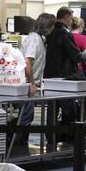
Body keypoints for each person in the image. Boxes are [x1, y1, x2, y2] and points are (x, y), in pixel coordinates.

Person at [43, 7, 86, 134]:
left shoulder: (50, 32)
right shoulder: (65, 33)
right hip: (64, 77)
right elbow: (75, 56)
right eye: (70, 17)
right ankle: (66, 136)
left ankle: (50, 136)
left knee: (52, 109)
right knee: (68, 109)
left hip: (49, 77)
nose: (71, 20)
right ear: (65, 17)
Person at [16, 13, 56, 146]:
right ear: (47, 26)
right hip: (27, 84)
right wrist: (32, 83)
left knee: (27, 115)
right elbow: (28, 62)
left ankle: (20, 145)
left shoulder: (38, 39)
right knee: (26, 116)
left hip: (29, 83)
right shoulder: (34, 39)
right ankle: (18, 147)